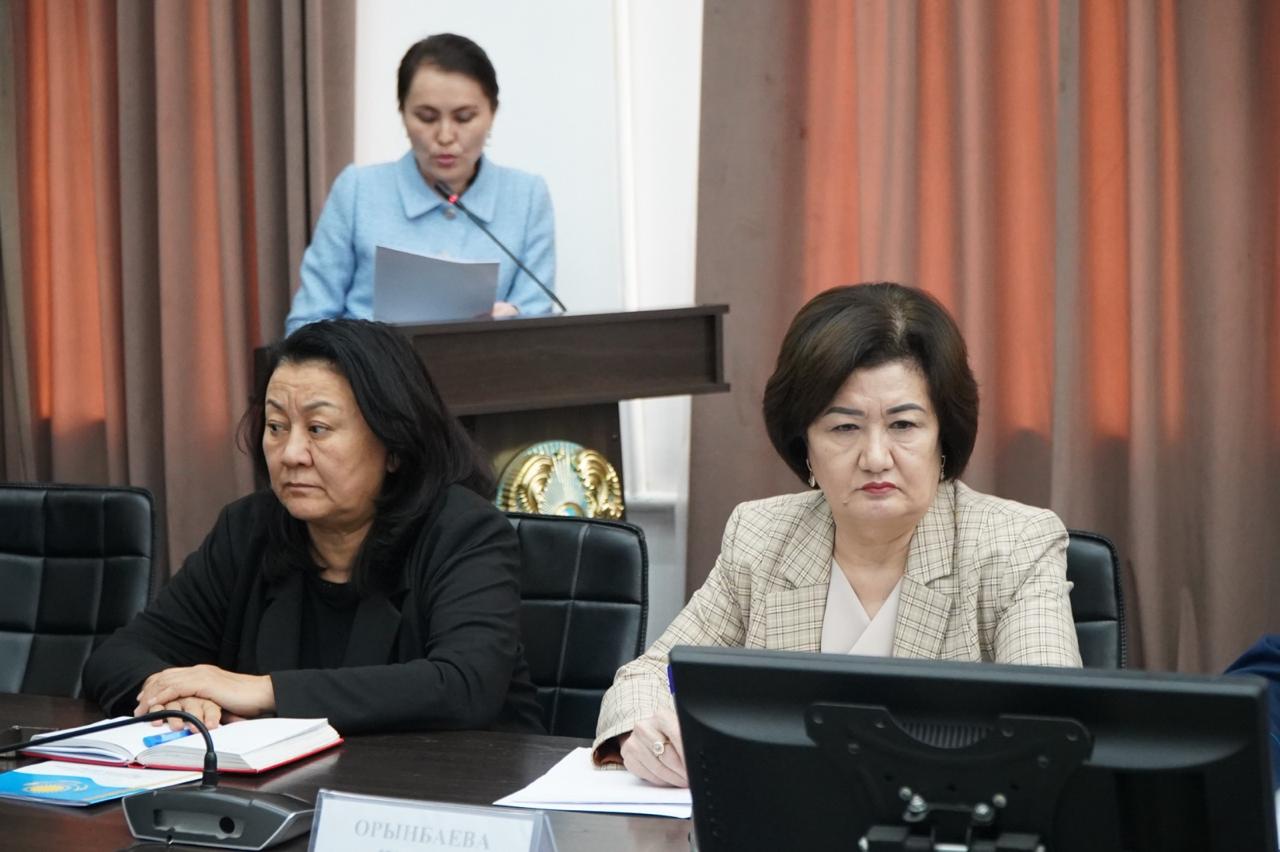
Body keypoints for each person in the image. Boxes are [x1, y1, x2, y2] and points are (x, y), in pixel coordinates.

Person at [595, 282, 1082, 787]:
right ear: (805, 446)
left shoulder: (1014, 545)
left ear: (944, 437)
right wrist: (647, 734)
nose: (875, 458)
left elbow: (1052, 721)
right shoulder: (763, 537)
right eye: (844, 428)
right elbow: (649, 676)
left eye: (903, 425)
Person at [83, 320, 544, 735]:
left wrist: (263, 691)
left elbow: (464, 686)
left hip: (456, 792)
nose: (291, 454)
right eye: (276, 426)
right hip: (291, 790)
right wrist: (177, 697)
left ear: (394, 445)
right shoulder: (248, 530)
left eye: (318, 428)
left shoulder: (464, 531)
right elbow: (117, 657)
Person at [285, 33, 556, 335]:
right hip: (366, 364)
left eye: (464, 118)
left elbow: (538, 324)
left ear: (492, 113)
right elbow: (305, 325)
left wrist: (512, 320)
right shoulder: (357, 191)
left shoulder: (527, 197)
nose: (445, 136)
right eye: (426, 117)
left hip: (487, 363)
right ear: (402, 113)